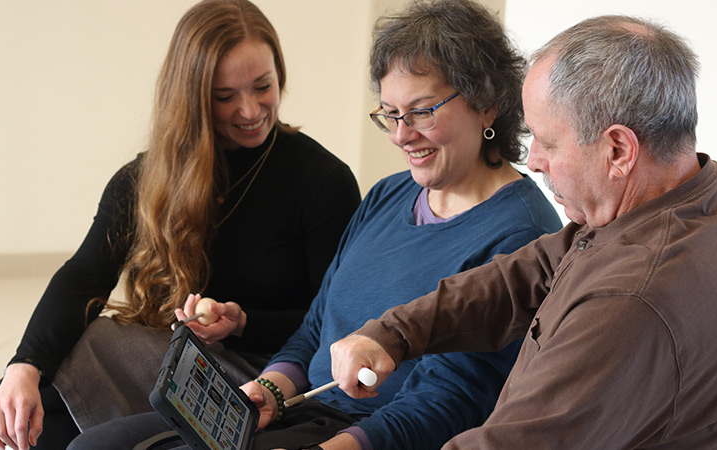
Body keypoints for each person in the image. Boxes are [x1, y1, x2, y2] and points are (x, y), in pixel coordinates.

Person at [65, 1, 562, 449]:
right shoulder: (389, 195)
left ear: (486, 102)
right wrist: (270, 390)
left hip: (365, 434)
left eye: (420, 113)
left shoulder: (519, 234)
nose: (400, 135)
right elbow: (316, 327)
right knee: (94, 444)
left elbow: (449, 400)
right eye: (390, 114)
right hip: (302, 413)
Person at [330, 14, 717, 450]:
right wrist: (395, 332)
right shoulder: (698, 192)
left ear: (618, 150)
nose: (534, 160)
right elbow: (529, 272)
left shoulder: (630, 299)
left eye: (547, 141)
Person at [0, 1, 362, 449]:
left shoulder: (323, 180)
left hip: (271, 376)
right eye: (225, 96)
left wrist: (243, 323)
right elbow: (84, 276)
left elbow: (330, 323)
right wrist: (23, 366)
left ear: (279, 74)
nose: (250, 110)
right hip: (186, 361)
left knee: (81, 369)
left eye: (263, 86)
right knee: (46, 379)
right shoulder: (147, 177)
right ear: (191, 96)